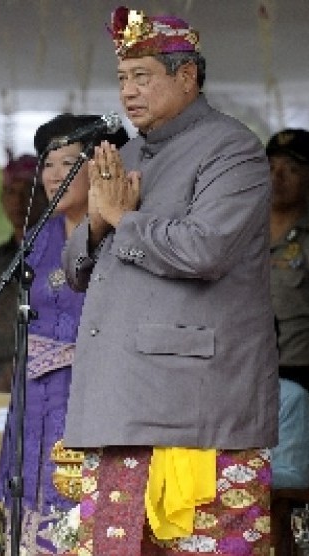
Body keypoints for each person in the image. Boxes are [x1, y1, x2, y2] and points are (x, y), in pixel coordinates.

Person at [61, 7, 279, 554]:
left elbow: (205, 248)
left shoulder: (233, 149)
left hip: (193, 409)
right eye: (121, 79)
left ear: (188, 78)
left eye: (143, 76)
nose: (128, 92)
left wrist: (119, 218)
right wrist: (94, 221)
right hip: (116, 403)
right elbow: (75, 271)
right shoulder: (124, 154)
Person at [0, 114, 128, 554]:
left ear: (101, 168)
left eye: (69, 162)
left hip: (95, 389)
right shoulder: (36, 238)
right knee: (29, 498)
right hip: (35, 393)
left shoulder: (123, 232)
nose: (53, 175)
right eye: (48, 164)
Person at [0, 153, 48, 391]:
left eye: (28, 191)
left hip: (43, 378)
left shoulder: (61, 252)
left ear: (45, 195)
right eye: (10, 192)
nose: (18, 200)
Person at [268, 128, 309, 393]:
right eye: (270, 166)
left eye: (291, 169)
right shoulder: (241, 233)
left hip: (299, 374)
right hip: (243, 368)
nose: (277, 177)